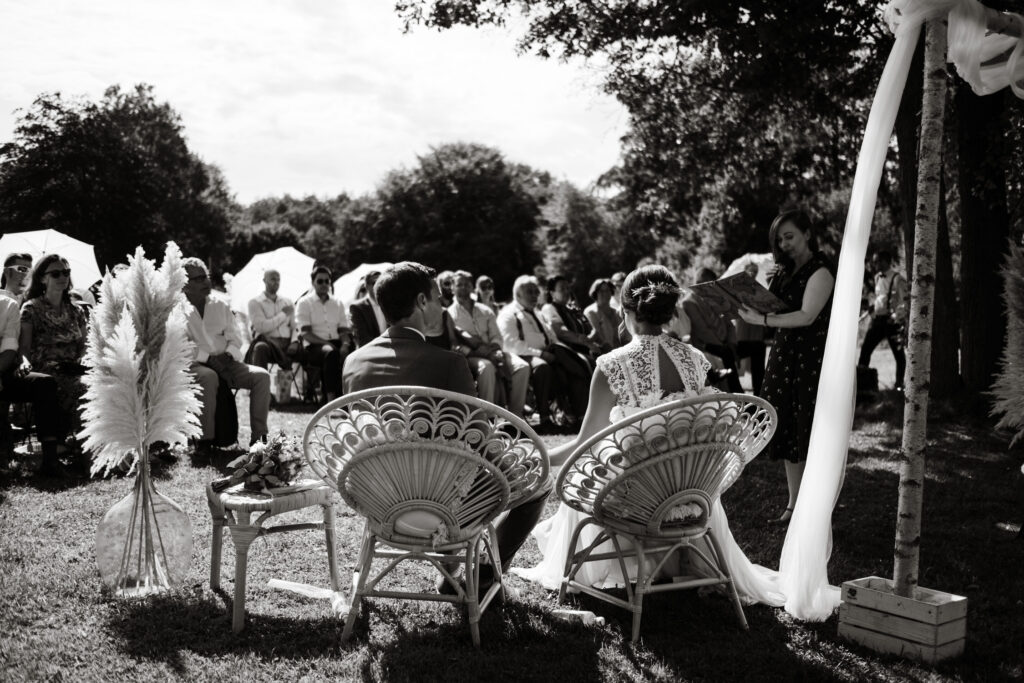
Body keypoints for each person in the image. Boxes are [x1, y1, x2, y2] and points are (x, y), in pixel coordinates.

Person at [512, 265, 784, 607]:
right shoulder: (695, 360)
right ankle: (677, 558)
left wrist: (541, 455)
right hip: (691, 491)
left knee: (594, 465)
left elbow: (583, 444)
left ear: (625, 311)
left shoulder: (611, 364)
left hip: (636, 499)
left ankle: (619, 562)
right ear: (670, 312)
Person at [342, 261, 550, 595]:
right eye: (439, 298)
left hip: (377, 499)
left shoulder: (354, 362)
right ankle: (480, 579)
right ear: (422, 303)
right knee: (538, 482)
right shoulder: (449, 363)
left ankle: (454, 569)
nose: (442, 306)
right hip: (439, 505)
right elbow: (481, 441)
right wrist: (515, 464)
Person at [737, 209, 835, 524]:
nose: (784, 243)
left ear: (807, 233)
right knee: (789, 431)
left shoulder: (821, 271)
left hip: (810, 358)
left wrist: (764, 319)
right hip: (784, 355)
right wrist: (749, 289)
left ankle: (818, 507)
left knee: (810, 430)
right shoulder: (783, 271)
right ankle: (793, 505)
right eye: (780, 239)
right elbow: (770, 306)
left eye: (789, 236)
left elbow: (806, 316)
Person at [182, 257, 271, 454]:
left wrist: (227, 357)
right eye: (198, 279)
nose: (206, 282)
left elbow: (235, 338)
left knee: (262, 376)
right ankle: (204, 441)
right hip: (195, 366)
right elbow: (182, 346)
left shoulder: (220, 305)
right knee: (209, 376)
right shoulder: (176, 310)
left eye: (206, 276)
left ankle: (259, 438)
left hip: (227, 362)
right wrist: (211, 360)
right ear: (184, 284)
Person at [497, 275, 589, 433]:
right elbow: (511, 344)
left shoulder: (537, 312)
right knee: (543, 367)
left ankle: (579, 415)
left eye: (535, 291)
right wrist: (540, 354)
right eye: (529, 292)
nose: (534, 295)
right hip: (523, 356)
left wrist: (555, 350)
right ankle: (545, 418)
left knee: (576, 364)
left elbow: (551, 335)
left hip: (548, 353)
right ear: (518, 295)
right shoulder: (509, 314)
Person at [19, 254, 90, 448]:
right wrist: (24, 363)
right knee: (83, 388)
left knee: (104, 384)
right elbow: (24, 347)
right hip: (47, 368)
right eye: (56, 273)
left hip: (75, 367)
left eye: (66, 272)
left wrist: (84, 358)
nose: (63, 277)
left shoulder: (76, 310)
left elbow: (85, 344)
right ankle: (85, 451)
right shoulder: (31, 309)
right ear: (42, 278)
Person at [0, 280, 63, 475]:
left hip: (2, 371)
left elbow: (9, 350)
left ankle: (50, 460)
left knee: (44, 383)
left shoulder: (7, 306)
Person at [448, 270, 529, 412]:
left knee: (522, 366)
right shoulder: (449, 314)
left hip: (493, 351)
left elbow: (496, 336)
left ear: (472, 287)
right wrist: (474, 352)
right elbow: (454, 344)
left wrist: (496, 349)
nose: (463, 287)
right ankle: (488, 418)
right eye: (459, 284)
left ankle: (516, 417)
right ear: (452, 288)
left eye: (467, 284)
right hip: (471, 356)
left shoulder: (485, 310)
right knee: (487, 367)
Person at [295, 266, 353, 402]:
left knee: (353, 353)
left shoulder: (337, 303)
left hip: (336, 342)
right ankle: (331, 400)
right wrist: (326, 343)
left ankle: (350, 397)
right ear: (313, 283)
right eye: (320, 281)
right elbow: (305, 333)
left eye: (327, 281)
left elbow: (343, 330)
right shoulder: (304, 303)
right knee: (331, 352)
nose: (324, 284)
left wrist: (345, 344)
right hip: (314, 346)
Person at [683, 268, 744, 394]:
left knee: (756, 347)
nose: (713, 287)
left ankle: (748, 393)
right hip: (707, 346)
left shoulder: (715, 298)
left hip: (725, 344)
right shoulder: (689, 302)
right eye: (710, 284)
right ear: (700, 283)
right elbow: (703, 331)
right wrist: (723, 345)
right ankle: (736, 395)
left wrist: (731, 343)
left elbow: (729, 323)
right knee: (727, 357)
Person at [858, 250, 908, 390]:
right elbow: (881, 297)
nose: (875, 264)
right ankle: (862, 385)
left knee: (898, 355)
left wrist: (896, 317)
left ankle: (899, 385)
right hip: (878, 321)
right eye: (874, 261)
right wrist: (873, 308)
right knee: (866, 349)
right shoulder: (876, 278)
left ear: (886, 261)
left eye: (877, 261)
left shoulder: (898, 279)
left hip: (892, 322)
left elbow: (904, 302)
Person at [246, 268, 296, 371]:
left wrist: (295, 341)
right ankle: (261, 384)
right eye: (273, 279)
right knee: (260, 347)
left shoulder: (288, 302)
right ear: (264, 281)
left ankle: (312, 386)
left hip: (287, 343)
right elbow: (262, 327)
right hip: (269, 343)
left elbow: (295, 326)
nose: (276, 282)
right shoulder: (255, 302)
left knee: (309, 350)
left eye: (278, 279)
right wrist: (283, 314)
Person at [541, 275, 601, 359]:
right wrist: (585, 342)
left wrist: (592, 337)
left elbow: (590, 328)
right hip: (571, 352)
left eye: (568, 288)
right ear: (552, 293)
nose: (567, 291)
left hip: (588, 347)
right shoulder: (549, 308)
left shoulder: (572, 308)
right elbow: (561, 332)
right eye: (562, 289)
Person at [734, 262, 768, 394]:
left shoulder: (761, 291)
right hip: (742, 333)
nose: (753, 273)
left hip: (757, 333)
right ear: (745, 271)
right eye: (750, 270)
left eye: (755, 271)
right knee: (737, 364)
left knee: (758, 368)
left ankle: (759, 395)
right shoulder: (736, 291)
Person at [584, 278, 625, 353]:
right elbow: (598, 338)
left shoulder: (616, 312)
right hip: (602, 353)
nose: (605, 293)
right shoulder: (591, 312)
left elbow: (624, 335)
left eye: (607, 290)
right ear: (595, 293)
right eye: (601, 291)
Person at [348, 269, 386, 348]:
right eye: (374, 283)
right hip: (369, 350)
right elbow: (363, 338)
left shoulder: (390, 304)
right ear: (367, 286)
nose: (379, 285)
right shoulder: (357, 308)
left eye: (381, 282)